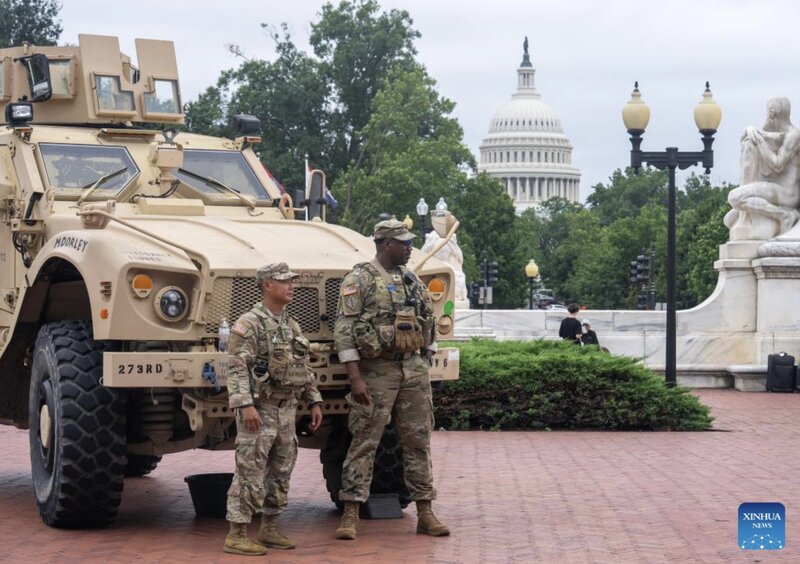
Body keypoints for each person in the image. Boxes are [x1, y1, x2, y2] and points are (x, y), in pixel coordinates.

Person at [333, 218, 450, 540]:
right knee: (364, 442)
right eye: (404, 242)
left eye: (410, 242)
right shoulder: (360, 279)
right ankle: (351, 514)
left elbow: (429, 324)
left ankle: (425, 512)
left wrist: (424, 361)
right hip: (377, 372)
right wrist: (356, 379)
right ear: (386, 244)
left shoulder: (412, 280)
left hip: (413, 371)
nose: (410, 247)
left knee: (418, 443)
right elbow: (345, 332)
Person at [223, 262, 323, 556]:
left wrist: (314, 399)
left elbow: (302, 365)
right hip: (260, 408)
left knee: (281, 470)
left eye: (292, 281)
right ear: (267, 285)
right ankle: (236, 534)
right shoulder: (249, 323)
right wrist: (245, 406)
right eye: (284, 281)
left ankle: (268, 528)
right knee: (249, 470)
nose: (291, 286)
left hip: (286, 409)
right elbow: (236, 367)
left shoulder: (290, 324)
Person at [725, 96, 800, 237]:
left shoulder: (794, 135)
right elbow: (747, 138)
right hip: (774, 190)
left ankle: (783, 216)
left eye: (768, 111)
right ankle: (746, 216)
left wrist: (759, 140)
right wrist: (750, 129)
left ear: (772, 112)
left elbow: (777, 165)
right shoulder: (778, 133)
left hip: (786, 193)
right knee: (728, 219)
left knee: (734, 197)